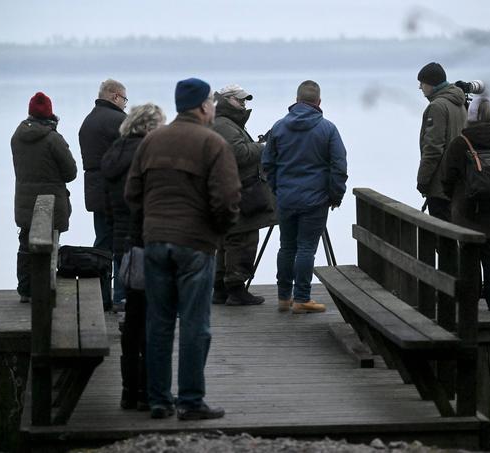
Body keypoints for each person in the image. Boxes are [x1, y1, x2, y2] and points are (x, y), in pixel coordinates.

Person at [125, 77, 240, 421]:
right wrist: (217, 231)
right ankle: (191, 401)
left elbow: (133, 193)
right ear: (203, 106)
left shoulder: (151, 141)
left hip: (156, 242)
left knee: (158, 323)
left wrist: (152, 224)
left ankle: (159, 400)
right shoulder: (213, 143)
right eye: (212, 103)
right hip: (195, 245)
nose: (214, 108)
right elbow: (228, 199)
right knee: (195, 323)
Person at [101, 103, 166, 410]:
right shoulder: (145, 155)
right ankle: (148, 391)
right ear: (149, 127)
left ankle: (129, 390)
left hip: (122, 242)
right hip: (145, 241)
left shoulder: (115, 151)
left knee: (133, 321)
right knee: (152, 323)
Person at [262, 80, 348, 314]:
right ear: (319, 102)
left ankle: (282, 297)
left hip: (286, 198)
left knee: (286, 247)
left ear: (297, 100)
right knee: (306, 248)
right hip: (315, 199)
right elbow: (339, 166)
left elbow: (267, 163)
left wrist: (277, 189)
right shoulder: (328, 129)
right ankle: (302, 298)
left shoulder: (279, 127)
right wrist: (335, 195)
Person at [442, 96, 490, 312]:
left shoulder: (460, 144)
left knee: (468, 255)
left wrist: (454, 196)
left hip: (466, 211)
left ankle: (469, 302)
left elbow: (447, 177)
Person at [11, 92, 77, 303]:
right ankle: (44, 289)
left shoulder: (17, 136)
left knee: (25, 243)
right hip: (51, 201)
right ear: (50, 114)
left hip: (24, 200)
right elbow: (71, 172)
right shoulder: (53, 139)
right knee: (50, 245)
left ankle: (25, 290)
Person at [212, 84, 275, 306]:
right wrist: (263, 147)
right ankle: (236, 291)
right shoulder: (225, 125)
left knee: (227, 240)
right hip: (240, 192)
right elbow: (238, 154)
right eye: (239, 100)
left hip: (231, 190)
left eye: (245, 101)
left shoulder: (224, 123)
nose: (243, 104)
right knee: (243, 239)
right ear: (226, 100)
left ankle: (221, 289)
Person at [79, 79, 128, 312]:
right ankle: (121, 296)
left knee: (102, 244)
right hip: (116, 191)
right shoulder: (119, 120)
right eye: (125, 99)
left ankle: (100, 295)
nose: (126, 105)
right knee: (122, 243)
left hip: (95, 190)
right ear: (115, 96)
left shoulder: (88, 121)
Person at [416, 62, 467, 222]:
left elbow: (433, 148)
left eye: (422, 83)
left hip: (440, 185)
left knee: (443, 237)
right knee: (456, 231)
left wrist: (423, 180)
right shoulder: (458, 104)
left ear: (431, 84)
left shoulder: (437, 107)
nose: (420, 87)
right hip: (458, 181)